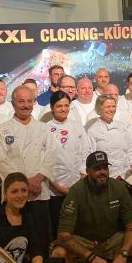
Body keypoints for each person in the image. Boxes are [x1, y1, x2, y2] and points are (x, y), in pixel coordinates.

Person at [0, 85, 58, 253]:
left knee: (40, 239)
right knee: (15, 240)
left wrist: (38, 178)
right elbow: (0, 161)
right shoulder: (2, 130)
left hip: (38, 191)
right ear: (13, 103)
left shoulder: (43, 128)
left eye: (29, 101)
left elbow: (52, 154)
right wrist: (23, 184)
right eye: (21, 101)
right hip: (13, 194)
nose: (26, 105)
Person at [45, 91, 90, 239]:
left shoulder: (77, 126)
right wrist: (58, 186)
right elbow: (43, 161)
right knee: (57, 227)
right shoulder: (45, 128)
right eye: (59, 106)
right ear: (52, 107)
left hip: (77, 185)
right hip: (54, 188)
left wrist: (82, 178)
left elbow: (85, 152)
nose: (63, 109)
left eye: (66, 105)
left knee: (78, 226)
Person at [87, 95, 132, 179]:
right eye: (108, 107)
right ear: (99, 108)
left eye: (113, 106)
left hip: (125, 173)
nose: (112, 110)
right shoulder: (93, 130)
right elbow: (89, 154)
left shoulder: (122, 126)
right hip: (105, 175)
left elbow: (130, 149)